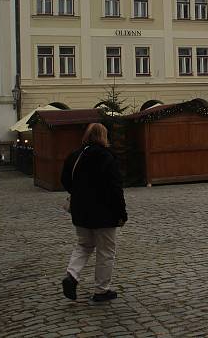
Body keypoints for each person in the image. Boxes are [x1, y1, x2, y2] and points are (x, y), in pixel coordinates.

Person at [61, 123, 127, 303]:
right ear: (104, 137)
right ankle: (101, 290)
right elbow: (115, 188)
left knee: (84, 245)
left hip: (81, 211)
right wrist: (121, 212)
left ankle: (72, 275)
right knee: (106, 251)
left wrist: (80, 193)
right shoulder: (107, 157)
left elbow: (65, 181)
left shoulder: (75, 156)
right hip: (104, 212)